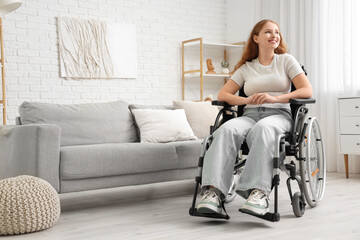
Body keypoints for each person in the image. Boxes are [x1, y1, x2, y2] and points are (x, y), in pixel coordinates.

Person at [196, 19, 312, 216]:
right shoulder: (246, 68)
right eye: (268, 32)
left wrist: (275, 98)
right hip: (249, 115)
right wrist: (246, 99)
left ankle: (258, 193)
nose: (274, 35)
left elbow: (306, 90)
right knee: (225, 130)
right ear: (256, 38)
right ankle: (213, 193)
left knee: (264, 129)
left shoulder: (286, 61)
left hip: (278, 115)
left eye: (276, 32)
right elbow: (223, 95)